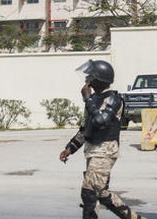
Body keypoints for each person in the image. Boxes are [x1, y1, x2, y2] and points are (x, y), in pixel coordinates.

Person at [59, 60, 144, 219]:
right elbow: (86, 129)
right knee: (101, 193)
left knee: (89, 192)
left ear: (100, 79)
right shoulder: (93, 100)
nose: (87, 80)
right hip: (92, 150)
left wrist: (87, 99)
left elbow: (100, 120)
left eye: (90, 77)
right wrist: (70, 148)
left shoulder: (113, 99)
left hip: (105, 151)